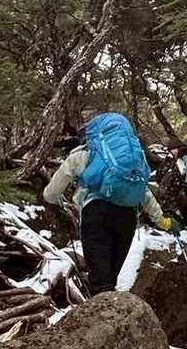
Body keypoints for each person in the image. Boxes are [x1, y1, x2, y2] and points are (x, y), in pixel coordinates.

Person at [43, 112, 178, 294]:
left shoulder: (84, 154)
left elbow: (51, 193)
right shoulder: (132, 160)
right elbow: (144, 192)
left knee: (100, 279)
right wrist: (163, 221)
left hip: (96, 213)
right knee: (111, 277)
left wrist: (56, 200)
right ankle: (113, 306)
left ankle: (103, 308)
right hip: (127, 217)